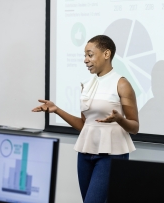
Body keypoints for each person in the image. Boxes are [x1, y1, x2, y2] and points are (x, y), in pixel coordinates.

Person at [32, 35, 139, 203]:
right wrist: (56, 110)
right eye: (85, 55)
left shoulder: (121, 83)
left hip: (111, 155)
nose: (85, 60)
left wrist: (119, 119)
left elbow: (134, 127)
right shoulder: (86, 84)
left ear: (106, 54)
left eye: (90, 55)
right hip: (85, 155)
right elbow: (84, 125)